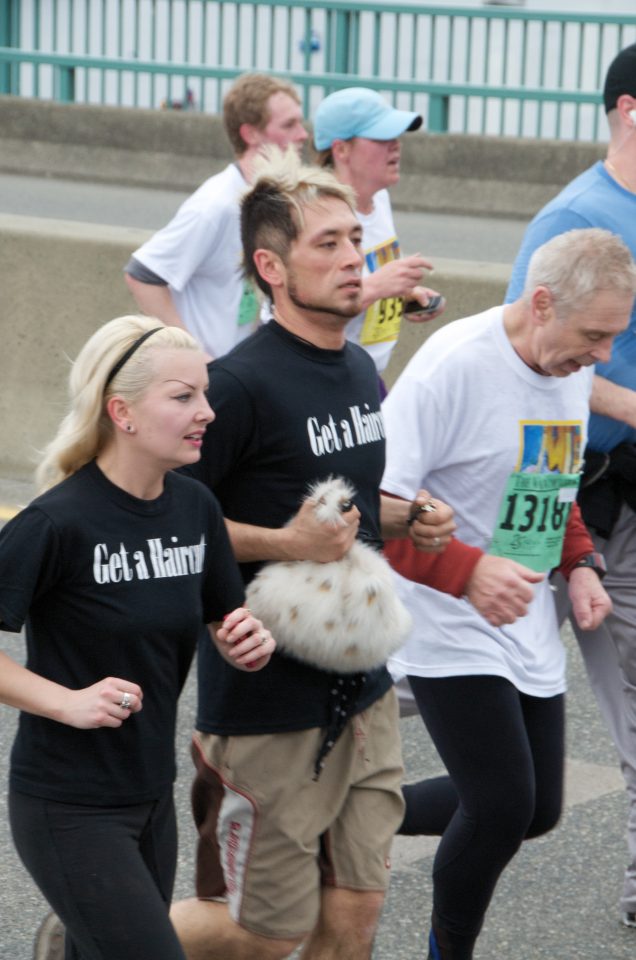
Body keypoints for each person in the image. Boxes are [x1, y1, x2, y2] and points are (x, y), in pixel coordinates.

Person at [167, 147, 456, 960]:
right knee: (263, 932)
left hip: (362, 689)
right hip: (266, 703)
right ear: (270, 265)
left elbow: (342, 504)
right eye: (325, 243)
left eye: (354, 239)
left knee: (356, 915)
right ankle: (96, 941)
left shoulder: (361, 367)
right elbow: (173, 525)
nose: (351, 257)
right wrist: (286, 543)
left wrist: (405, 517)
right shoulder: (236, 385)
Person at [380, 228, 636, 960]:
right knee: (497, 806)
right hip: (441, 609)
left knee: (538, 809)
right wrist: (466, 570)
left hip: (519, 610)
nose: (604, 356)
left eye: (615, 337)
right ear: (542, 302)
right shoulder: (454, 367)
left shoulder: (570, 366)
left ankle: (350, 811)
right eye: (595, 334)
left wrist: (580, 561)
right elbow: (372, 510)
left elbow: (550, 479)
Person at [1, 314, 274, 960]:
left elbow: (223, 619)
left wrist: (244, 639)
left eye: (204, 393)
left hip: (150, 796)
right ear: (120, 413)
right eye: (182, 397)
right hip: (68, 805)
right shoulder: (56, 522)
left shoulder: (195, 509)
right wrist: (66, 701)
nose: (206, 411)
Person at [505, 41, 636, 930]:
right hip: (549, 478)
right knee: (431, 667)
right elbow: (536, 362)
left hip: (623, 499)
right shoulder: (577, 215)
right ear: (632, 110)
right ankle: (286, 755)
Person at [124, 72, 308, 360]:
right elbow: (143, 275)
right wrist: (195, 357)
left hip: (244, 371)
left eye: (300, 122)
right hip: (211, 381)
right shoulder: (216, 205)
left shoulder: (267, 199)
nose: (303, 135)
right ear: (250, 134)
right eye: (289, 125)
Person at [312, 86, 446, 388]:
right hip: (322, 378)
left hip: (366, 376)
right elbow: (299, 310)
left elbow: (365, 280)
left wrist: (403, 294)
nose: (396, 146)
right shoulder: (315, 213)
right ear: (341, 149)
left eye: (396, 137)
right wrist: (377, 287)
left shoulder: (378, 198)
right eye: (382, 138)